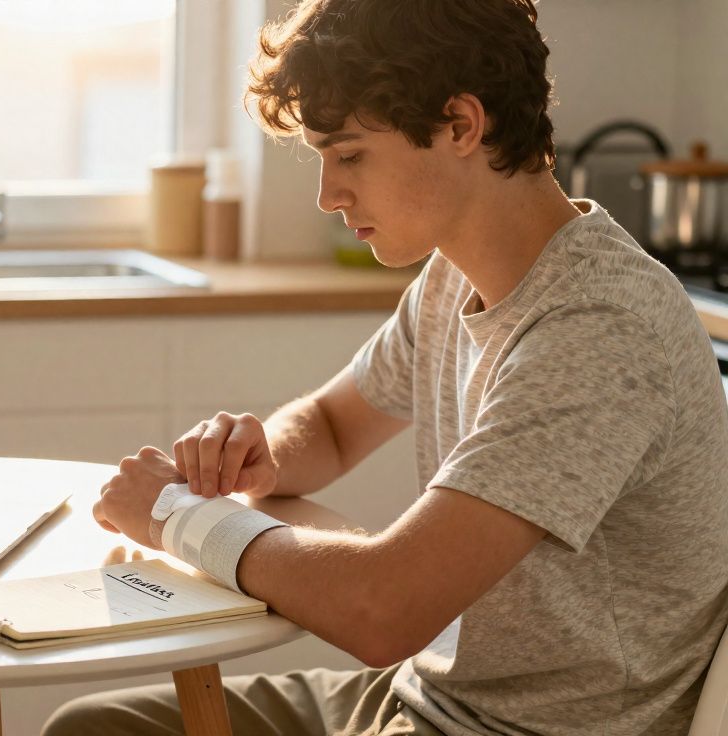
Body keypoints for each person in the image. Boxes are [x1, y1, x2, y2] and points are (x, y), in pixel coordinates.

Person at [43, 0, 728, 734]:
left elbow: (383, 610)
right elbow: (334, 426)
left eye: (350, 156)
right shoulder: (453, 277)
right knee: (90, 728)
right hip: (429, 696)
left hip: (519, 729)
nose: (327, 195)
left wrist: (174, 514)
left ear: (461, 125)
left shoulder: (598, 328)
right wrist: (262, 456)